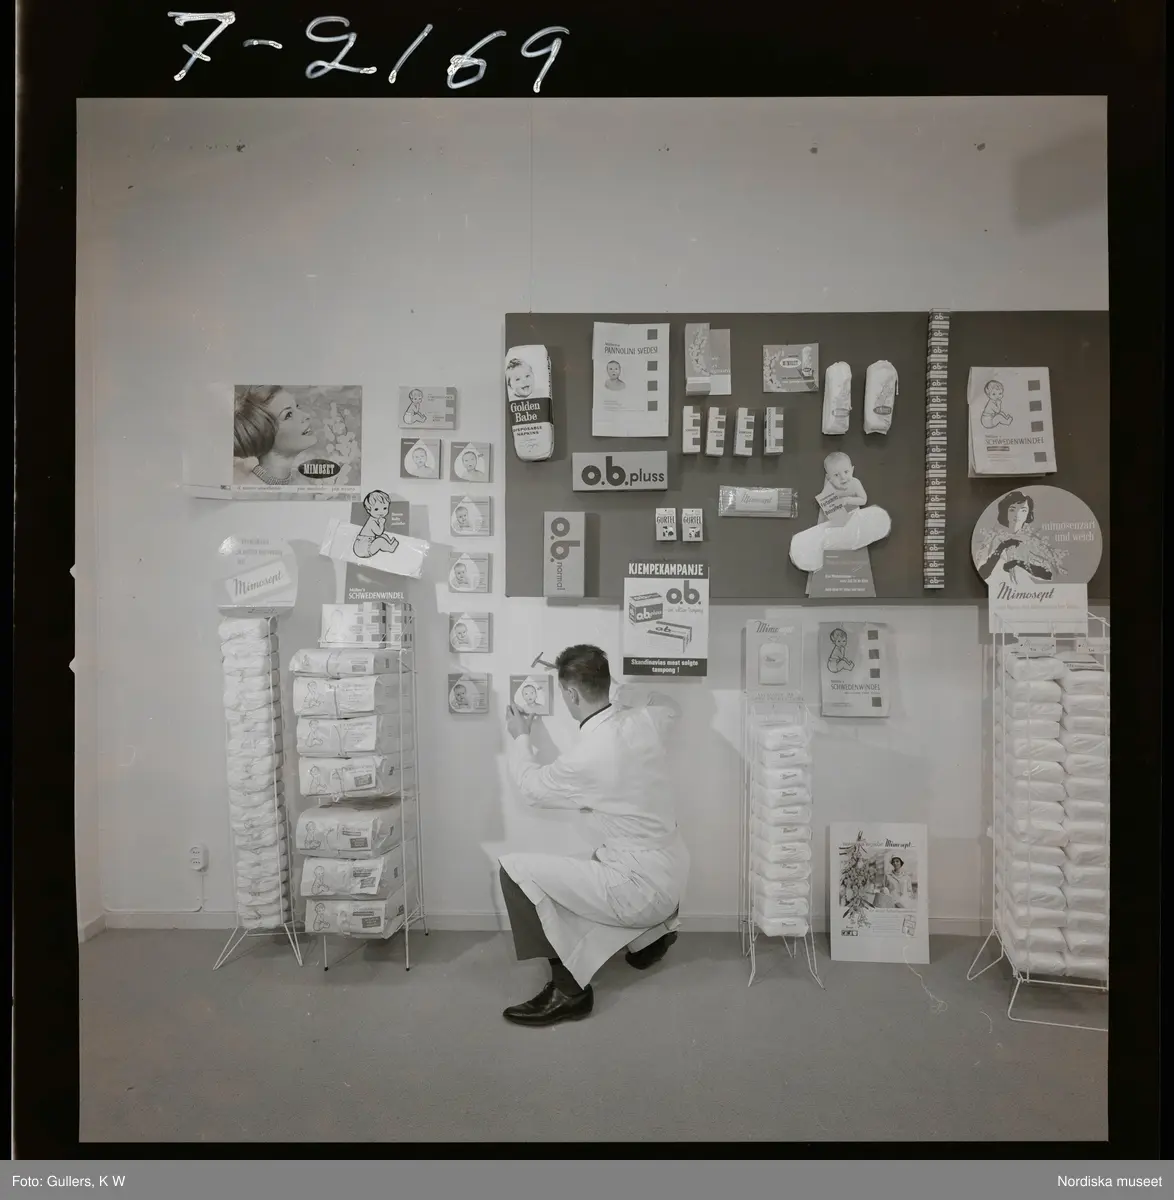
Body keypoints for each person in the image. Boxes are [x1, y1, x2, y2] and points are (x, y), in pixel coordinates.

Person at [498, 645, 689, 1027]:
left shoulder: (589, 756)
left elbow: (532, 789)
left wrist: (521, 737)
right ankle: (651, 939)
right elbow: (669, 704)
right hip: (673, 869)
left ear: (571, 694)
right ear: (606, 681)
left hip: (643, 886)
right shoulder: (648, 719)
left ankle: (569, 992)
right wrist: (610, 684)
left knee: (515, 874)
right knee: (596, 859)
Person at [233, 385, 319, 486]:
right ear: (264, 435)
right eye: (289, 415)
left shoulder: (301, 483)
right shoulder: (247, 489)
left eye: (297, 406)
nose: (306, 416)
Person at [976, 491, 1059, 585]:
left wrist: (1018, 563)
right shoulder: (994, 539)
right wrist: (1001, 547)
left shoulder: (1031, 541)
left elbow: (1048, 575)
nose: (1017, 514)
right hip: (998, 587)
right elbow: (983, 573)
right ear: (1005, 511)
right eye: (1012, 510)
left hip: (1025, 589)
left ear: (1028, 513)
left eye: (1023, 510)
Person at [353, 491, 400, 560]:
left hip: (365, 543)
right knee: (380, 541)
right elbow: (379, 532)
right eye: (376, 509)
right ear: (369, 510)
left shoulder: (374, 518)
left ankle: (389, 542)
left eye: (384, 508)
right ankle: (390, 548)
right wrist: (381, 524)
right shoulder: (372, 522)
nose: (381, 512)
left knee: (384, 536)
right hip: (363, 548)